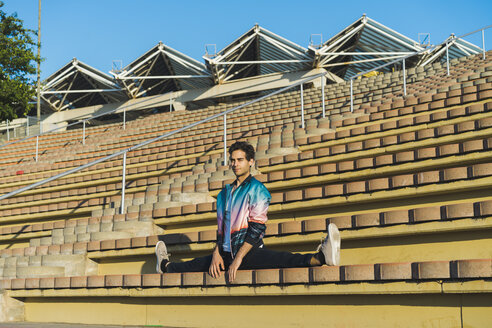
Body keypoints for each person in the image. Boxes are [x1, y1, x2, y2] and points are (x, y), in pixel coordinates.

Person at [155, 141, 341, 282]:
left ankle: (322, 256)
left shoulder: (257, 189)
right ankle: (164, 265)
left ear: (251, 161)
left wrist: (238, 260)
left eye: (240, 160)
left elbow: (257, 229)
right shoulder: (223, 194)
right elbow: (221, 231)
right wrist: (216, 254)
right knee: (194, 264)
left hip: (249, 252)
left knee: (281, 259)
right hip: (226, 253)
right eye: (233, 160)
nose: (235, 164)